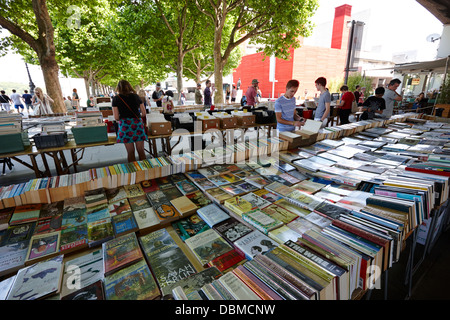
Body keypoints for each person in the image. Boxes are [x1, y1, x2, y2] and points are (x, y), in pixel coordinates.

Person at [112, 79, 147, 163]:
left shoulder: (116, 99)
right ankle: (146, 171)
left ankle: (133, 172)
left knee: (130, 152)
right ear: (129, 86)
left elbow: (116, 117)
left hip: (125, 125)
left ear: (118, 88)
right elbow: (144, 113)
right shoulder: (136, 96)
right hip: (137, 124)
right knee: (141, 151)